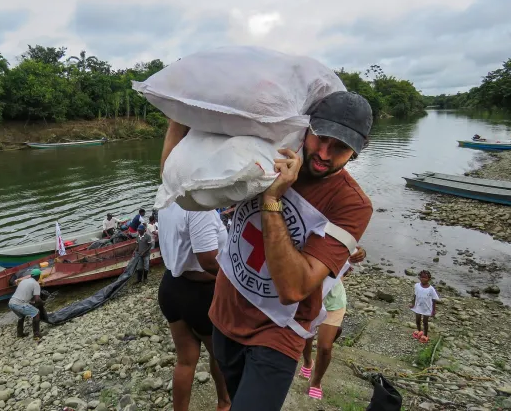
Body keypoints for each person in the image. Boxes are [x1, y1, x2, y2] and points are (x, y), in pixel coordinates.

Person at [160, 91, 374, 410]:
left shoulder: (351, 205)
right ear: (306, 128)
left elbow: (293, 288)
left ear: (355, 153)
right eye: (321, 138)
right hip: (225, 310)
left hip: (280, 328)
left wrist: (272, 199)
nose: (325, 154)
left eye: (340, 147)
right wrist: (179, 115)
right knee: (233, 397)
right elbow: (177, 182)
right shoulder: (265, 152)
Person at [157, 202, 231, 411]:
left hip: (171, 285)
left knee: (185, 361)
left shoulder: (168, 200)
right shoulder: (199, 208)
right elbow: (208, 260)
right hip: (200, 293)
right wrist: (235, 280)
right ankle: (224, 404)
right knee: (219, 356)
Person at [299, 247, 366, 400]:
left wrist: (361, 253)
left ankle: (316, 382)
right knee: (306, 336)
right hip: (310, 298)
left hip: (334, 302)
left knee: (325, 347)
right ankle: (308, 361)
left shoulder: (337, 239)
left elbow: (354, 251)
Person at [8, 269, 46, 340]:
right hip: (19, 304)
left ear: (31, 275)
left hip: (11, 303)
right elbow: (37, 299)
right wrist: (42, 303)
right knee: (36, 313)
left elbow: (27, 297)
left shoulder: (24, 281)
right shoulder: (35, 284)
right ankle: (36, 334)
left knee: (21, 316)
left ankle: (20, 333)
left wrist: (32, 302)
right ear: (38, 276)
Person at [410, 270, 439, 343]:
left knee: (425, 322)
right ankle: (419, 331)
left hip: (427, 308)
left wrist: (433, 310)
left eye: (425, 277)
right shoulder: (417, 286)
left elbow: (434, 300)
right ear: (419, 278)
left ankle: (425, 335)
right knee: (417, 320)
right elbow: (415, 295)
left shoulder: (431, 289)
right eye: (422, 277)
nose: (423, 279)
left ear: (429, 279)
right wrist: (413, 304)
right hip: (418, 306)